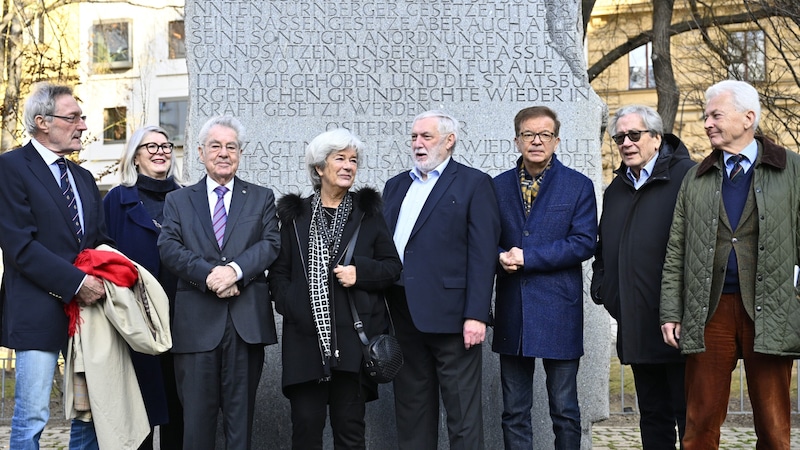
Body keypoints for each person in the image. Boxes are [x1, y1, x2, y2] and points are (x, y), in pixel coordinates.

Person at [660, 80, 800, 450]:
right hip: (709, 311)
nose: (706, 123)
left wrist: (795, 298)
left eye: (715, 115)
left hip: (770, 310)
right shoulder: (697, 177)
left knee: (773, 427)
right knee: (700, 423)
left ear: (748, 118)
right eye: (706, 116)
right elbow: (677, 248)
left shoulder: (791, 169)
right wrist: (670, 312)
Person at [269, 128, 402, 449]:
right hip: (304, 342)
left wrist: (361, 273)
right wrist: (294, 304)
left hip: (354, 345)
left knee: (350, 434)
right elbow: (279, 274)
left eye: (353, 160)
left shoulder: (368, 214)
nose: (348, 166)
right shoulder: (295, 216)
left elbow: (392, 266)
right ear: (319, 168)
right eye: (339, 159)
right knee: (305, 432)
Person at [157, 115, 280, 450]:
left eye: (231, 146)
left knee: (240, 423)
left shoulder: (261, 197)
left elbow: (271, 244)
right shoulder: (178, 201)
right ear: (200, 152)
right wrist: (210, 275)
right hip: (196, 327)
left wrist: (235, 270)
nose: (223, 153)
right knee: (196, 425)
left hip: (245, 326)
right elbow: (168, 247)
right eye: (216, 146)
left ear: (240, 153)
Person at [0, 82, 112, 448]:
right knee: (32, 415)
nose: (82, 125)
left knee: (88, 412)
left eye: (81, 117)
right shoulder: (10, 168)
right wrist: (79, 283)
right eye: (73, 117)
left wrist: (116, 270)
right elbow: (20, 246)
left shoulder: (82, 177)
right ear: (42, 122)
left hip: (87, 315)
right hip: (37, 312)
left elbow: (97, 239)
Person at [382, 110, 500, 449]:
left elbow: (482, 254)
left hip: (453, 318)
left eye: (426, 137)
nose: (418, 144)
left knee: (462, 415)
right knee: (412, 412)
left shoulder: (474, 184)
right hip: (403, 314)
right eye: (414, 137)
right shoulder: (396, 185)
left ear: (449, 141)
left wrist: (476, 314)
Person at [492, 106, 597, 449]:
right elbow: (485, 240)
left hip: (559, 309)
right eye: (528, 134)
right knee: (514, 410)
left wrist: (529, 257)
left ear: (556, 140)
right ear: (516, 139)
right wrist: (498, 258)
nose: (536, 141)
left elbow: (583, 242)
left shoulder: (577, 185)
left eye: (544, 135)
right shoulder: (497, 187)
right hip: (514, 310)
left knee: (564, 409)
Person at [591, 105, 694, 449]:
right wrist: (606, 291)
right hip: (635, 323)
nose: (626, 143)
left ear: (655, 137)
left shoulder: (687, 178)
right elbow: (604, 250)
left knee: (689, 415)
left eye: (634, 135)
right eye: (619, 137)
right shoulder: (617, 188)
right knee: (652, 415)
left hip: (678, 325)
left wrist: (682, 309)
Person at [103, 125, 184, 449]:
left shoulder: (186, 197)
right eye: (151, 146)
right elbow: (103, 253)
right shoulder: (115, 200)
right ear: (135, 156)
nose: (160, 151)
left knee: (180, 407)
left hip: (182, 320)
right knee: (139, 412)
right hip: (135, 320)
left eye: (165, 146)